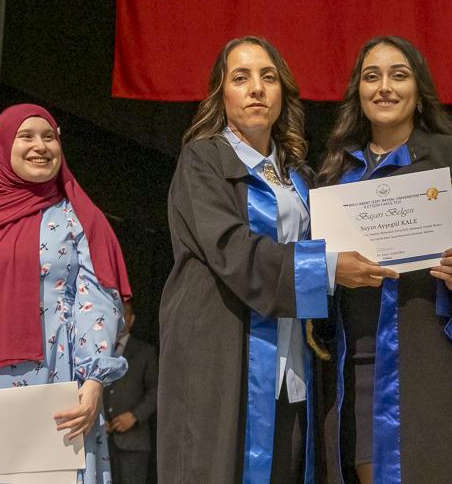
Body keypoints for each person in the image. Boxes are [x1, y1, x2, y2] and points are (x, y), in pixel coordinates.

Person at [157, 36, 396, 484]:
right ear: (221, 94)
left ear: (282, 92)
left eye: (268, 77)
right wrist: (326, 268)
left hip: (294, 361)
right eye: (240, 78)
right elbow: (232, 249)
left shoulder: (299, 175)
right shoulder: (203, 161)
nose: (256, 88)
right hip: (223, 355)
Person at [315, 36, 452, 484]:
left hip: (428, 365)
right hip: (356, 364)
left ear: (419, 90)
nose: (384, 87)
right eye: (372, 77)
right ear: (358, 92)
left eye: (399, 75)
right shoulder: (336, 171)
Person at [0, 104, 132, 484]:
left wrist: (94, 383)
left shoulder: (80, 220)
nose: (40, 146)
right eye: (26, 136)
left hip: (58, 386)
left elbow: (96, 306)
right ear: (2, 146)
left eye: (49, 137)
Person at [104, 299, 158, 484]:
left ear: (132, 319)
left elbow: (156, 389)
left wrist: (134, 416)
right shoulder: (98, 352)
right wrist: (98, 419)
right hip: (102, 440)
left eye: (123, 313)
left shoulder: (145, 351)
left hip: (134, 441)